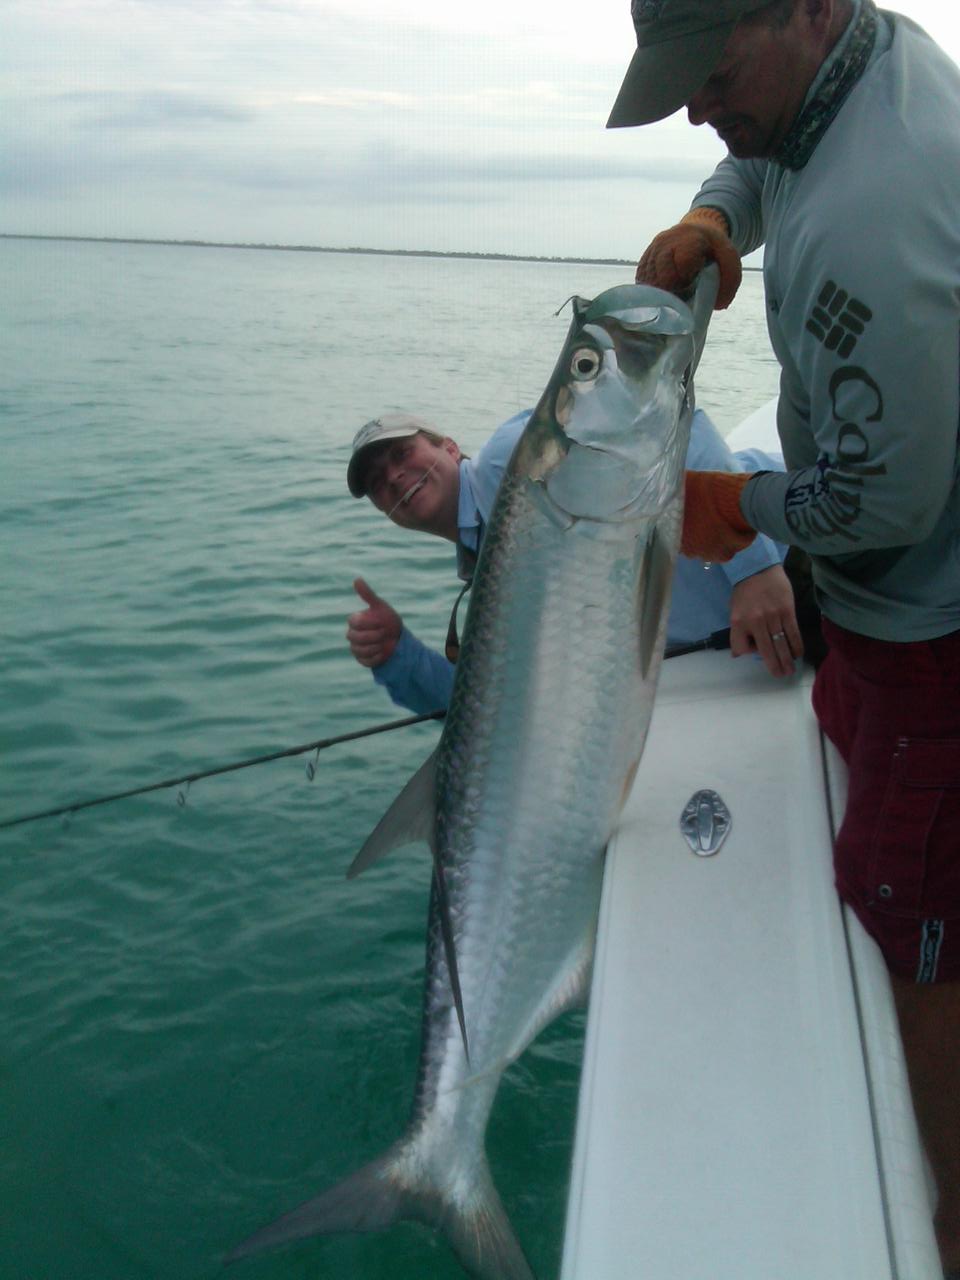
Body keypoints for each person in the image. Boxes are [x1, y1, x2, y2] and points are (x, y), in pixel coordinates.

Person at [607, 0, 960, 1270]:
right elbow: (764, 148)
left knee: (904, 895)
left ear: (807, 6)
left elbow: (882, 506)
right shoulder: (857, 62)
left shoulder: (880, 214)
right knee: (834, 727)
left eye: (712, 73)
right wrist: (716, 210)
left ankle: (955, 1203)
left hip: (935, 619)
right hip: (880, 611)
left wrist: (727, 507)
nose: (700, 104)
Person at [345, 407, 801, 716]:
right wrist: (396, 656)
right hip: (764, 638)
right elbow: (493, 717)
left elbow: (666, 416)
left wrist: (753, 566)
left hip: (797, 541)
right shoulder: (484, 575)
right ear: (386, 512)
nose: (394, 476)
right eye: (378, 483)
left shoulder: (510, 459)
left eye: (402, 454)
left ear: (448, 447)